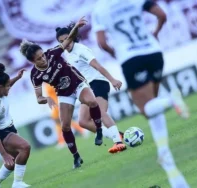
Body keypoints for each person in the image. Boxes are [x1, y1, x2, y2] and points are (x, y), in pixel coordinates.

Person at [92, 0, 190, 187]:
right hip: (154, 52)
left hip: (131, 57)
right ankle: (164, 155)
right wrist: (154, 33)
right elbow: (162, 15)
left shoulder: (100, 8)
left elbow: (102, 43)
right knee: (153, 107)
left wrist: (116, 53)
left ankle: (170, 100)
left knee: (146, 109)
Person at [20, 17, 104, 169]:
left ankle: (99, 131)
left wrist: (77, 26)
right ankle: (76, 156)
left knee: (92, 101)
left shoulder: (52, 53)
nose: (43, 59)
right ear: (33, 62)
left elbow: (68, 39)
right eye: (39, 59)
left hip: (77, 84)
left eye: (42, 55)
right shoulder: (35, 75)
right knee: (65, 126)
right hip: (64, 94)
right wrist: (46, 99)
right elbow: (38, 98)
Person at [55, 24, 126, 153]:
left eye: (66, 39)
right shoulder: (67, 55)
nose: (65, 43)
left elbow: (97, 66)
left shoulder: (81, 50)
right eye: (61, 42)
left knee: (100, 113)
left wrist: (112, 79)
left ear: (72, 37)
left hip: (98, 82)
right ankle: (118, 135)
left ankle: (119, 142)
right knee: (83, 121)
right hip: (86, 88)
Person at [0, 63, 31, 188]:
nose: (9, 88)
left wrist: (17, 77)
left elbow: (7, 83)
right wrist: (3, 154)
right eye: (7, 87)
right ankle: (17, 183)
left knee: (15, 159)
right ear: (0, 87)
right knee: (25, 147)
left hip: (8, 127)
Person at [45, 84, 87, 149]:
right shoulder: (45, 82)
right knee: (59, 122)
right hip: (54, 104)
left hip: (57, 103)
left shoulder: (51, 81)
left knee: (62, 121)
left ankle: (81, 130)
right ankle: (62, 140)